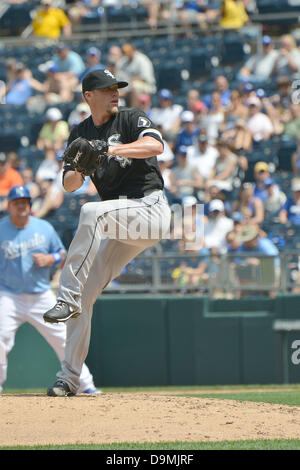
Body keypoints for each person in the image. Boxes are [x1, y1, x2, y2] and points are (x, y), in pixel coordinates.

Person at [42, 69, 171, 396]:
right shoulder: (79, 131)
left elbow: (155, 145)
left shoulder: (130, 117)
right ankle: (69, 379)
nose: (115, 93)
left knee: (90, 212)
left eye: (116, 88)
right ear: (89, 96)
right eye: (107, 89)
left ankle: (65, 297)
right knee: (86, 295)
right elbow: (70, 185)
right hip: (120, 222)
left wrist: (108, 149)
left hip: (149, 208)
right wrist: (82, 166)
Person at [0, 185, 98, 394]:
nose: (22, 206)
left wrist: (49, 258)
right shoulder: (1, 229)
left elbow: (61, 253)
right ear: (9, 206)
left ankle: (86, 385)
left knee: (64, 339)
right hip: (9, 295)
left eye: (25, 202)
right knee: (0, 339)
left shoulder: (43, 228)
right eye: (17, 203)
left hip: (41, 294)